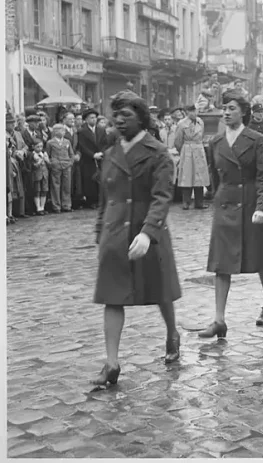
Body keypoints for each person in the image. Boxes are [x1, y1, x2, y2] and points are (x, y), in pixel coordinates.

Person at [91, 91, 182, 387]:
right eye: (115, 114)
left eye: (126, 114)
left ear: (142, 118)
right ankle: (112, 363)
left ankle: (172, 334)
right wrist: (100, 231)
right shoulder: (110, 153)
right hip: (116, 234)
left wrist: (148, 232)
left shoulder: (157, 153)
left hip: (148, 234)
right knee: (111, 296)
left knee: (161, 291)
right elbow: (105, 198)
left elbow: (162, 197)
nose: (118, 119)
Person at [200, 89, 263, 338]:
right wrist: (218, 199)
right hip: (226, 204)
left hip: (251, 204)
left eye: (232, 108)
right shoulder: (215, 142)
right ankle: (218, 319)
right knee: (221, 263)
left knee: (260, 257)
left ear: (244, 112)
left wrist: (262, 206)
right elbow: (215, 177)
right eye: (224, 108)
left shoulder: (258, 140)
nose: (226, 112)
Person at [174, 104, 210, 210]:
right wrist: (183, 151)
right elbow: (177, 141)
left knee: (199, 177)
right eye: (191, 111)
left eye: (195, 111)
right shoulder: (182, 124)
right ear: (187, 112)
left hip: (199, 149)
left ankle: (199, 202)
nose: (194, 113)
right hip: (187, 150)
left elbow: (202, 135)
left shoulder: (200, 122)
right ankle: (186, 202)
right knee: (187, 177)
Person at [77, 109, 108, 209]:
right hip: (88, 159)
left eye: (95, 117)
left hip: (100, 158)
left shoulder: (101, 130)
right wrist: (93, 155)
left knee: (100, 179)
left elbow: (105, 143)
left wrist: (102, 153)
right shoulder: (82, 131)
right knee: (89, 180)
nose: (94, 119)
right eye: (91, 118)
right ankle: (92, 201)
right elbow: (82, 146)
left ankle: (101, 200)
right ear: (86, 119)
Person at [46, 123, 74, 213]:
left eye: (62, 130)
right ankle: (56, 206)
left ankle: (66, 205)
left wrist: (70, 162)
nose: (61, 132)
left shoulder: (67, 141)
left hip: (66, 165)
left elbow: (71, 153)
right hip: (56, 166)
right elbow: (47, 155)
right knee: (55, 186)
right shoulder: (50, 142)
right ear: (54, 132)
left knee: (66, 186)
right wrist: (51, 163)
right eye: (58, 130)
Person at [30, 139, 50, 215]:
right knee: (37, 191)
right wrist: (40, 161)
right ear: (33, 147)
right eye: (37, 147)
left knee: (44, 190)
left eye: (41, 146)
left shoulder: (44, 153)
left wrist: (47, 160)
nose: (40, 148)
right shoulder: (32, 155)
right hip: (37, 175)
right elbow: (33, 166)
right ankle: (38, 207)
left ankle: (42, 207)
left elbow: (49, 164)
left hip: (45, 174)